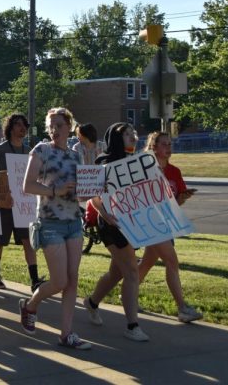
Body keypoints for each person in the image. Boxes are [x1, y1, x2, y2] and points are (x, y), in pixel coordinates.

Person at [16, 108, 92, 350]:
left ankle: (66, 333)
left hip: (73, 222)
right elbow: (27, 185)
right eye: (51, 125)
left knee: (72, 281)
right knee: (59, 280)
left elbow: (82, 193)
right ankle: (30, 305)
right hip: (50, 222)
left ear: (69, 126)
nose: (55, 130)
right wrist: (54, 191)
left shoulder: (75, 156)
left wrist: (85, 192)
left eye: (59, 125)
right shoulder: (41, 150)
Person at [83, 122, 149, 342]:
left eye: (133, 133)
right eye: (127, 134)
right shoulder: (104, 162)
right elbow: (93, 195)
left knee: (117, 273)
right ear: (115, 138)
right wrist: (103, 211)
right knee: (132, 271)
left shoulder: (138, 162)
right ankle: (132, 325)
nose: (132, 136)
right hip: (111, 224)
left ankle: (91, 302)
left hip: (132, 223)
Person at [137, 131, 203, 323]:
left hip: (166, 223)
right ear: (154, 147)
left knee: (147, 262)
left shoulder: (175, 172)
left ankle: (128, 294)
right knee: (172, 262)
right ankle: (182, 308)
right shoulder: (145, 170)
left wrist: (182, 198)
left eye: (170, 144)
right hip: (150, 223)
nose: (168, 148)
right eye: (164, 144)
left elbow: (175, 202)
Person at [0, 113, 45, 292]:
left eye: (25, 126)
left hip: (24, 206)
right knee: (0, 241)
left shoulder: (29, 151)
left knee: (28, 241)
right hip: (5, 205)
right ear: (10, 127)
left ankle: (34, 279)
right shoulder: (0, 150)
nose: (23, 129)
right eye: (19, 125)